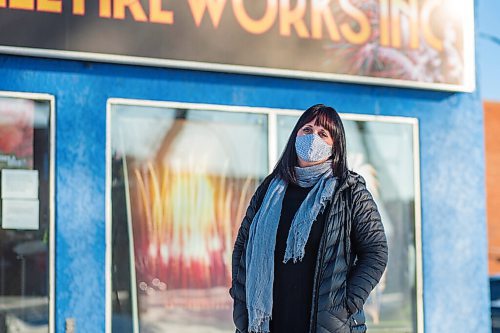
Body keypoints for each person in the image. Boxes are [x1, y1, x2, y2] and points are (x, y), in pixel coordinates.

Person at [229, 104, 388, 333]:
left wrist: (346, 304)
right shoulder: (269, 191)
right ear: (296, 135)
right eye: (307, 130)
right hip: (267, 324)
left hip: (325, 325)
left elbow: (376, 252)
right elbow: (242, 247)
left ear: (336, 146)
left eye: (323, 133)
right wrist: (240, 295)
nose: (313, 137)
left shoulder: (349, 191)